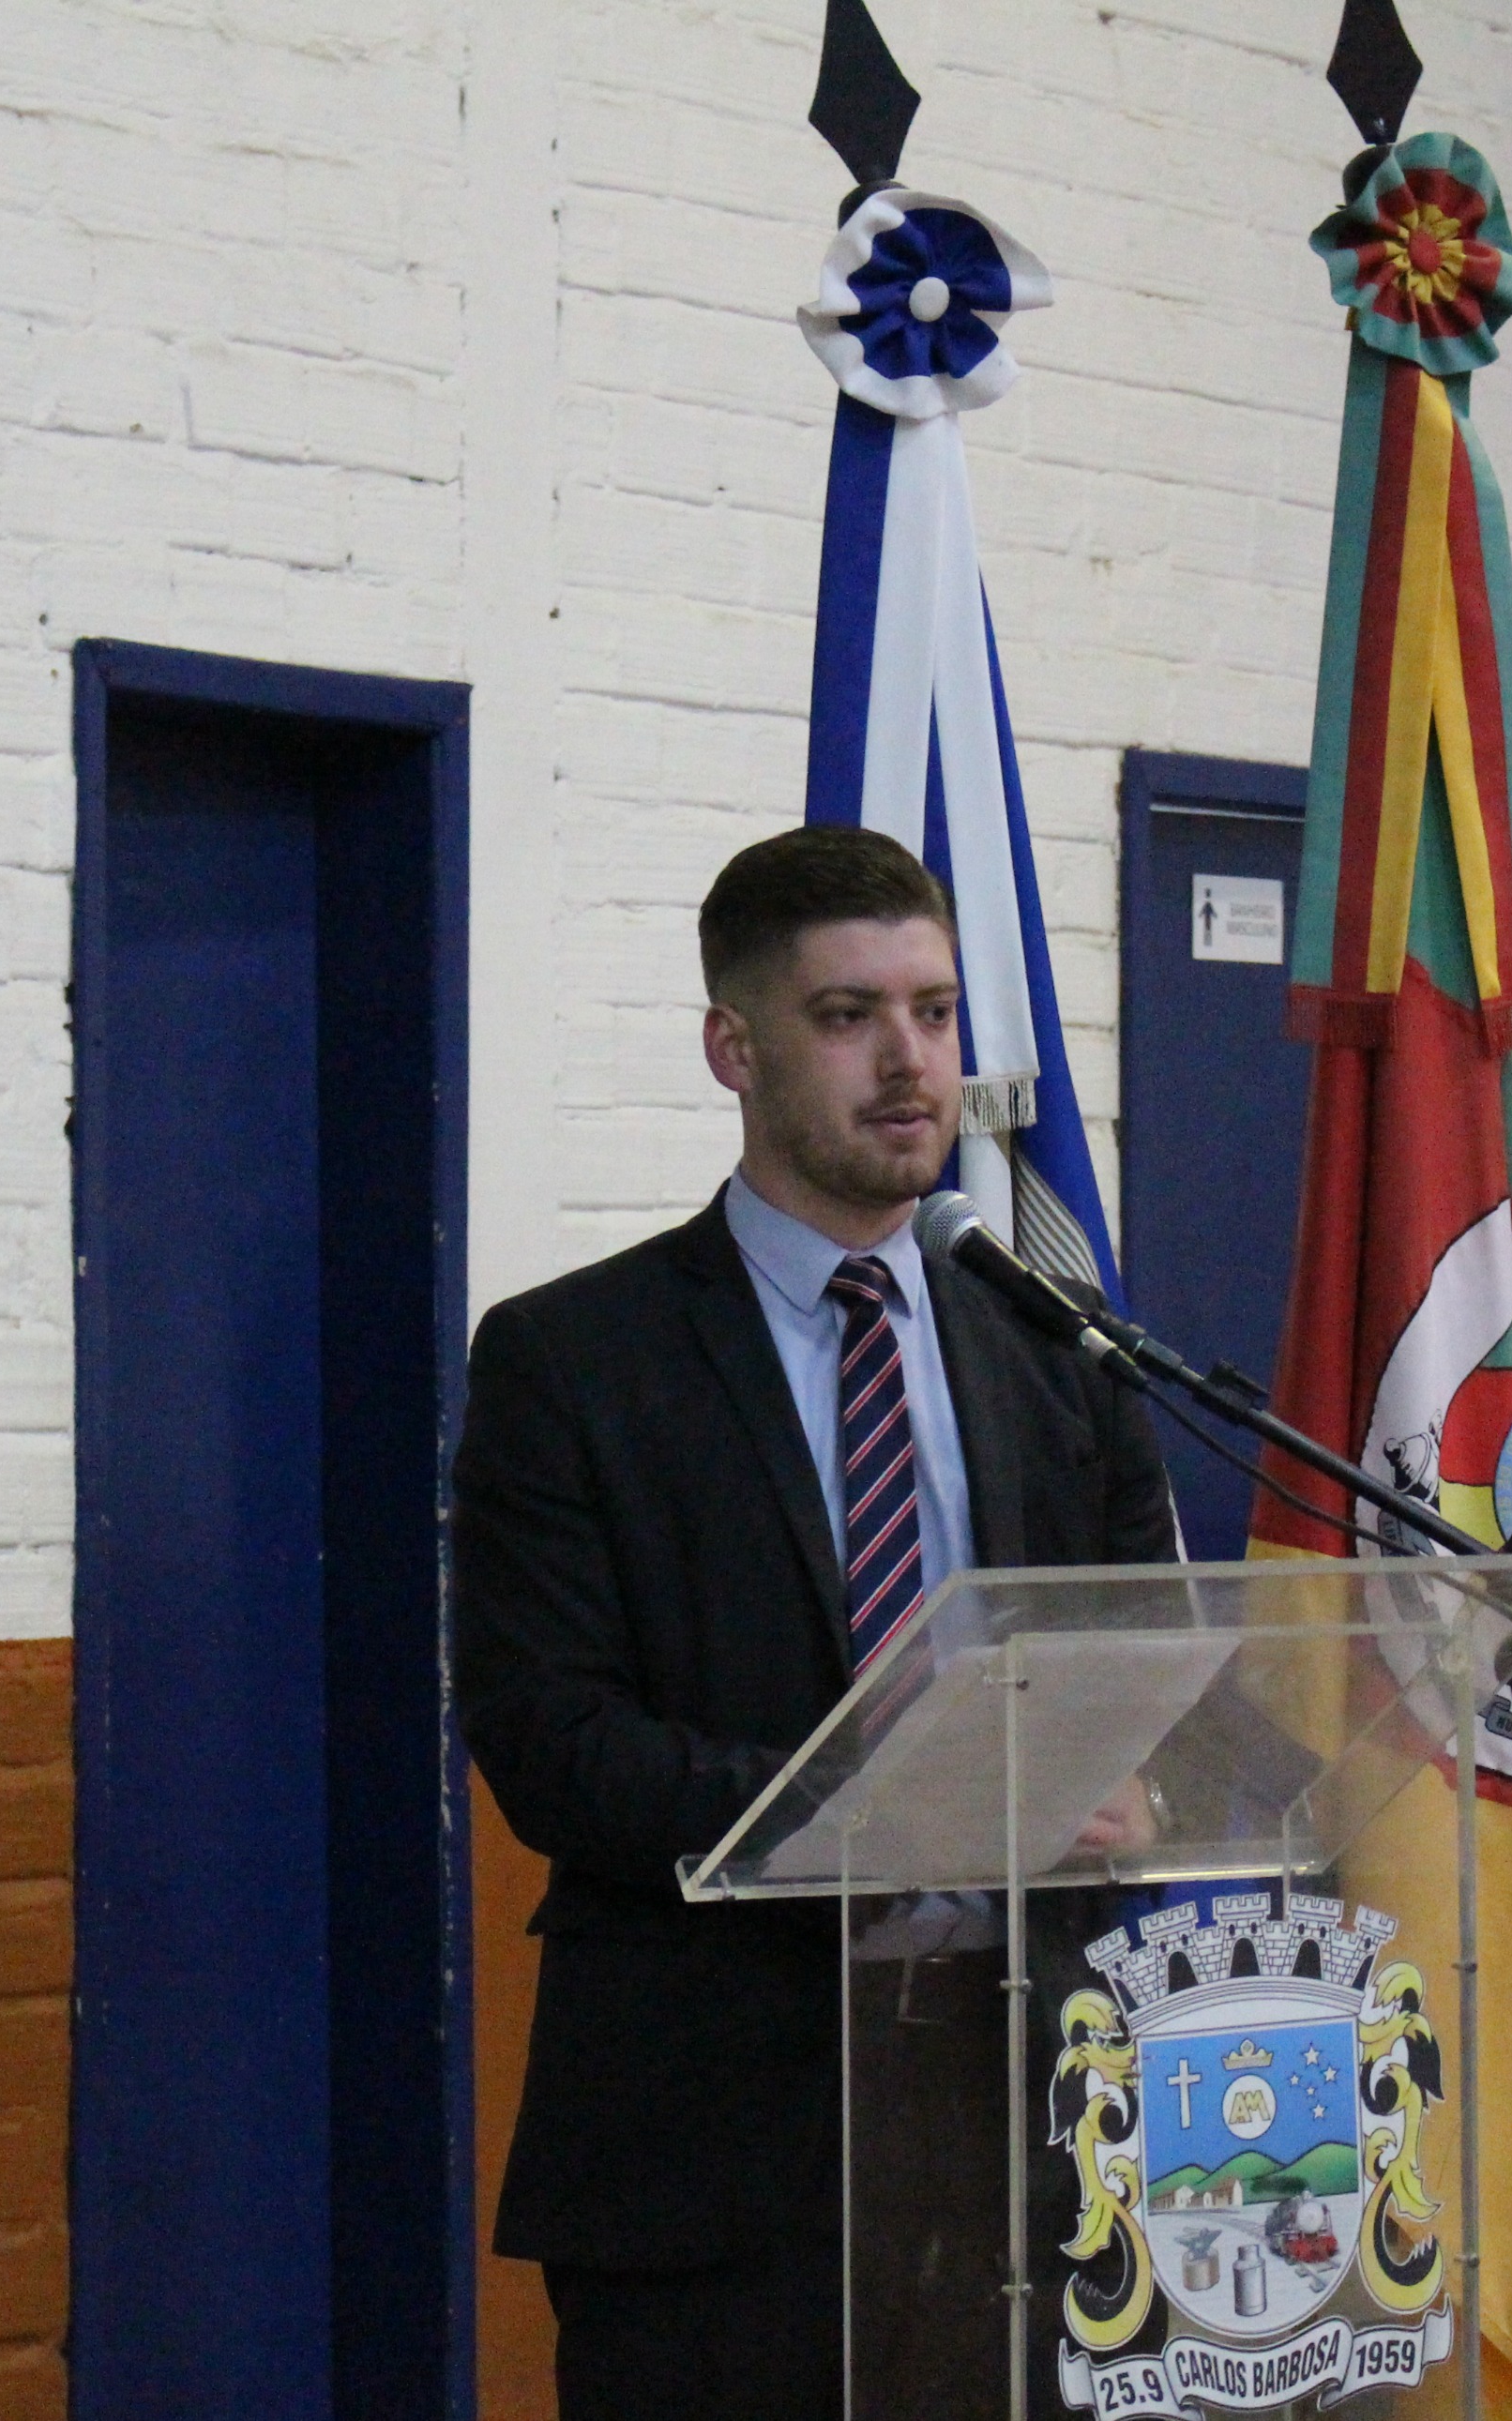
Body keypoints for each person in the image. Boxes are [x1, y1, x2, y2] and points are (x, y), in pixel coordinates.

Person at [454, 825, 1178, 2421]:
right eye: (849, 1015)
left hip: (1040, 2102)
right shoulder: (574, 1361)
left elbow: (1147, 1678)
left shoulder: (1062, 1352)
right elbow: (551, 1743)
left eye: (933, 1010)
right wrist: (894, 1809)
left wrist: (1146, 1782)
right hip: (716, 2131)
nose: (908, 1060)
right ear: (737, 1047)